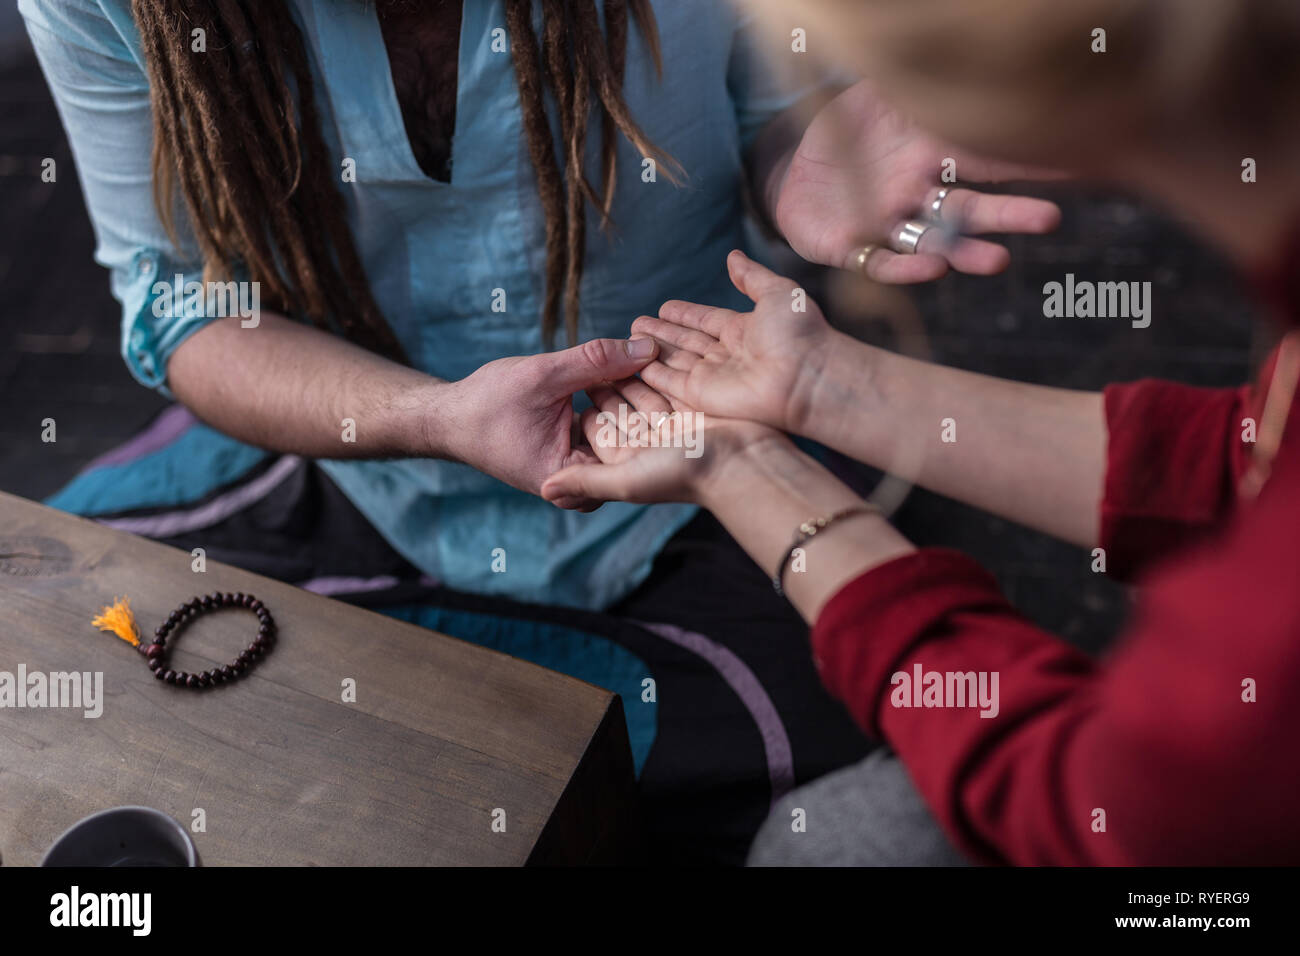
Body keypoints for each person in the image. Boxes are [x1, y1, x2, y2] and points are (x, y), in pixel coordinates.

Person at [22, 0, 1060, 861]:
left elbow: (782, 112)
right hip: (346, 464)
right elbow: (179, 303)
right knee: (58, 667)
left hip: (692, 467)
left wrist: (808, 155)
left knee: (863, 765)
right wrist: (425, 417)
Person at [543, 0, 1300, 864]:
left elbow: (1084, 809)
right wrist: (827, 386)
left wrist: (745, 476)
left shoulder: (1265, 649)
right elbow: (1248, 464)